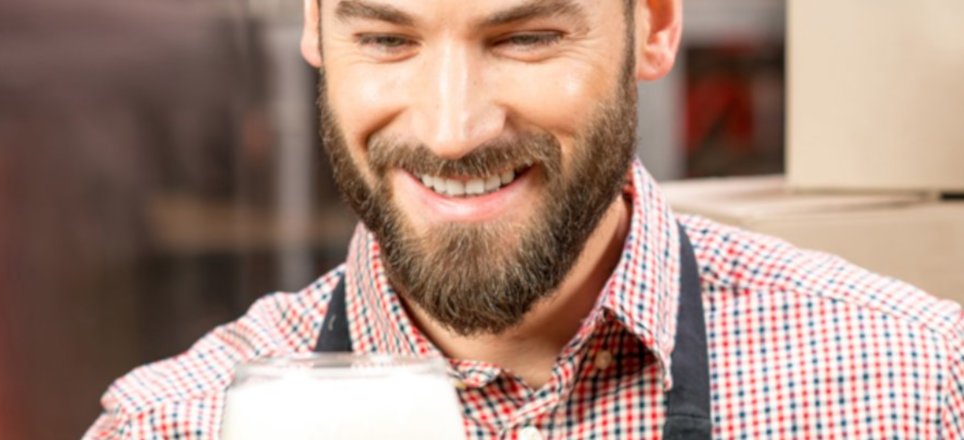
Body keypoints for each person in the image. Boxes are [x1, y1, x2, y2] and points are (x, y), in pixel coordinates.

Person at [85, 0, 964, 438]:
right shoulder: (168, 426)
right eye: (388, 40)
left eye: (526, 37)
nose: (452, 128)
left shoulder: (924, 389)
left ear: (653, 24)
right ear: (315, 27)